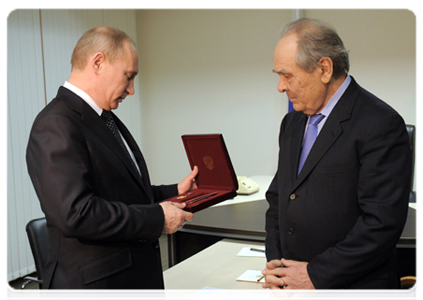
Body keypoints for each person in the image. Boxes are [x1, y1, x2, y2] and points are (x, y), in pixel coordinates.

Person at [26, 26, 198, 300]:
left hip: (126, 281)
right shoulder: (55, 124)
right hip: (96, 289)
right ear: (98, 62)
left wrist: (174, 190)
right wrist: (157, 218)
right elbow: (76, 214)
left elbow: (120, 192)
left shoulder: (102, 117)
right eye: (128, 77)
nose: (131, 90)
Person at [262, 18, 411, 300]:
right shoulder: (292, 123)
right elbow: (279, 199)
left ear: (324, 69)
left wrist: (315, 276)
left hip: (353, 289)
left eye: (288, 75)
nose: (281, 87)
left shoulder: (380, 123)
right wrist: (277, 266)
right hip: (293, 287)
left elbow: (381, 224)